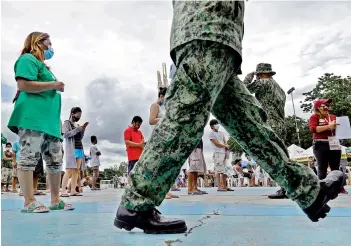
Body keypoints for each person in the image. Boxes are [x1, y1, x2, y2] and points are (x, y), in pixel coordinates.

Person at [114, 1, 343, 234]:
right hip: (207, 27)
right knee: (186, 116)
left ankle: (308, 192)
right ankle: (136, 202)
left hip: (221, 37)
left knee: (251, 126)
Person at [7, 31, 73, 212]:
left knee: (54, 160)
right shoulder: (27, 59)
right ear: (38, 42)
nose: (51, 47)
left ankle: (55, 199)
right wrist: (54, 85)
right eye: (48, 43)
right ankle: (29, 201)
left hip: (49, 122)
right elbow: (24, 85)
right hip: (33, 119)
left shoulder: (44, 67)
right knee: (28, 158)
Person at [241, 63, 287, 198]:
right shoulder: (279, 88)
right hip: (281, 123)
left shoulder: (264, 82)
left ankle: (285, 187)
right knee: (282, 155)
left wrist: (248, 78)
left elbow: (244, 90)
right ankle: (288, 187)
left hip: (271, 124)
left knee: (275, 157)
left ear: (259, 74)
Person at [309, 99, 348, 194]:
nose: (327, 106)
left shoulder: (333, 116)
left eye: (328, 104)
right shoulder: (314, 117)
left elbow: (341, 129)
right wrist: (328, 126)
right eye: (324, 105)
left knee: (336, 166)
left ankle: (339, 187)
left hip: (334, 142)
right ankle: (321, 188)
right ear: (318, 107)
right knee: (322, 166)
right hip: (320, 143)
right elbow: (313, 129)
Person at [149, 87, 179, 199]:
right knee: (158, 166)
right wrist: (167, 119)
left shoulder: (162, 108)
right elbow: (151, 120)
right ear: (162, 96)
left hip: (164, 139)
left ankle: (164, 190)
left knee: (164, 166)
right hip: (157, 140)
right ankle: (157, 191)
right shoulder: (155, 105)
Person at [61, 107, 87, 197]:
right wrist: (77, 130)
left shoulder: (77, 125)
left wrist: (82, 130)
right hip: (72, 149)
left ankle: (73, 190)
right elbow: (65, 134)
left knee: (76, 170)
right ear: (72, 114)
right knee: (69, 169)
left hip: (79, 149)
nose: (79, 117)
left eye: (80, 115)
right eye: (78, 115)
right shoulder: (66, 123)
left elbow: (80, 138)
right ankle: (63, 190)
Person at [209, 119, 231, 192]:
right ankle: (219, 187)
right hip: (217, 153)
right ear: (212, 126)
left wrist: (226, 145)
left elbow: (225, 141)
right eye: (215, 124)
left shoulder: (221, 133)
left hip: (224, 153)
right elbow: (216, 143)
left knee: (224, 171)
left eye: (217, 123)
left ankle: (224, 186)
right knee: (219, 170)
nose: (217, 125)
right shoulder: (211, 134)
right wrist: (225, 146)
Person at [124, 116, 144, 185]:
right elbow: (127, 142)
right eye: (137, 124)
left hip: (140, 156)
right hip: (132, 157)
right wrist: (139, 145)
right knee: (131, 173)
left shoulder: (140, 132)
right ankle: (129, 187)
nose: (138, 126)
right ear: (133, 122)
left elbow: (142, 142)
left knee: (140, 174)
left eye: (140, 125)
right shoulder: (128, 130)